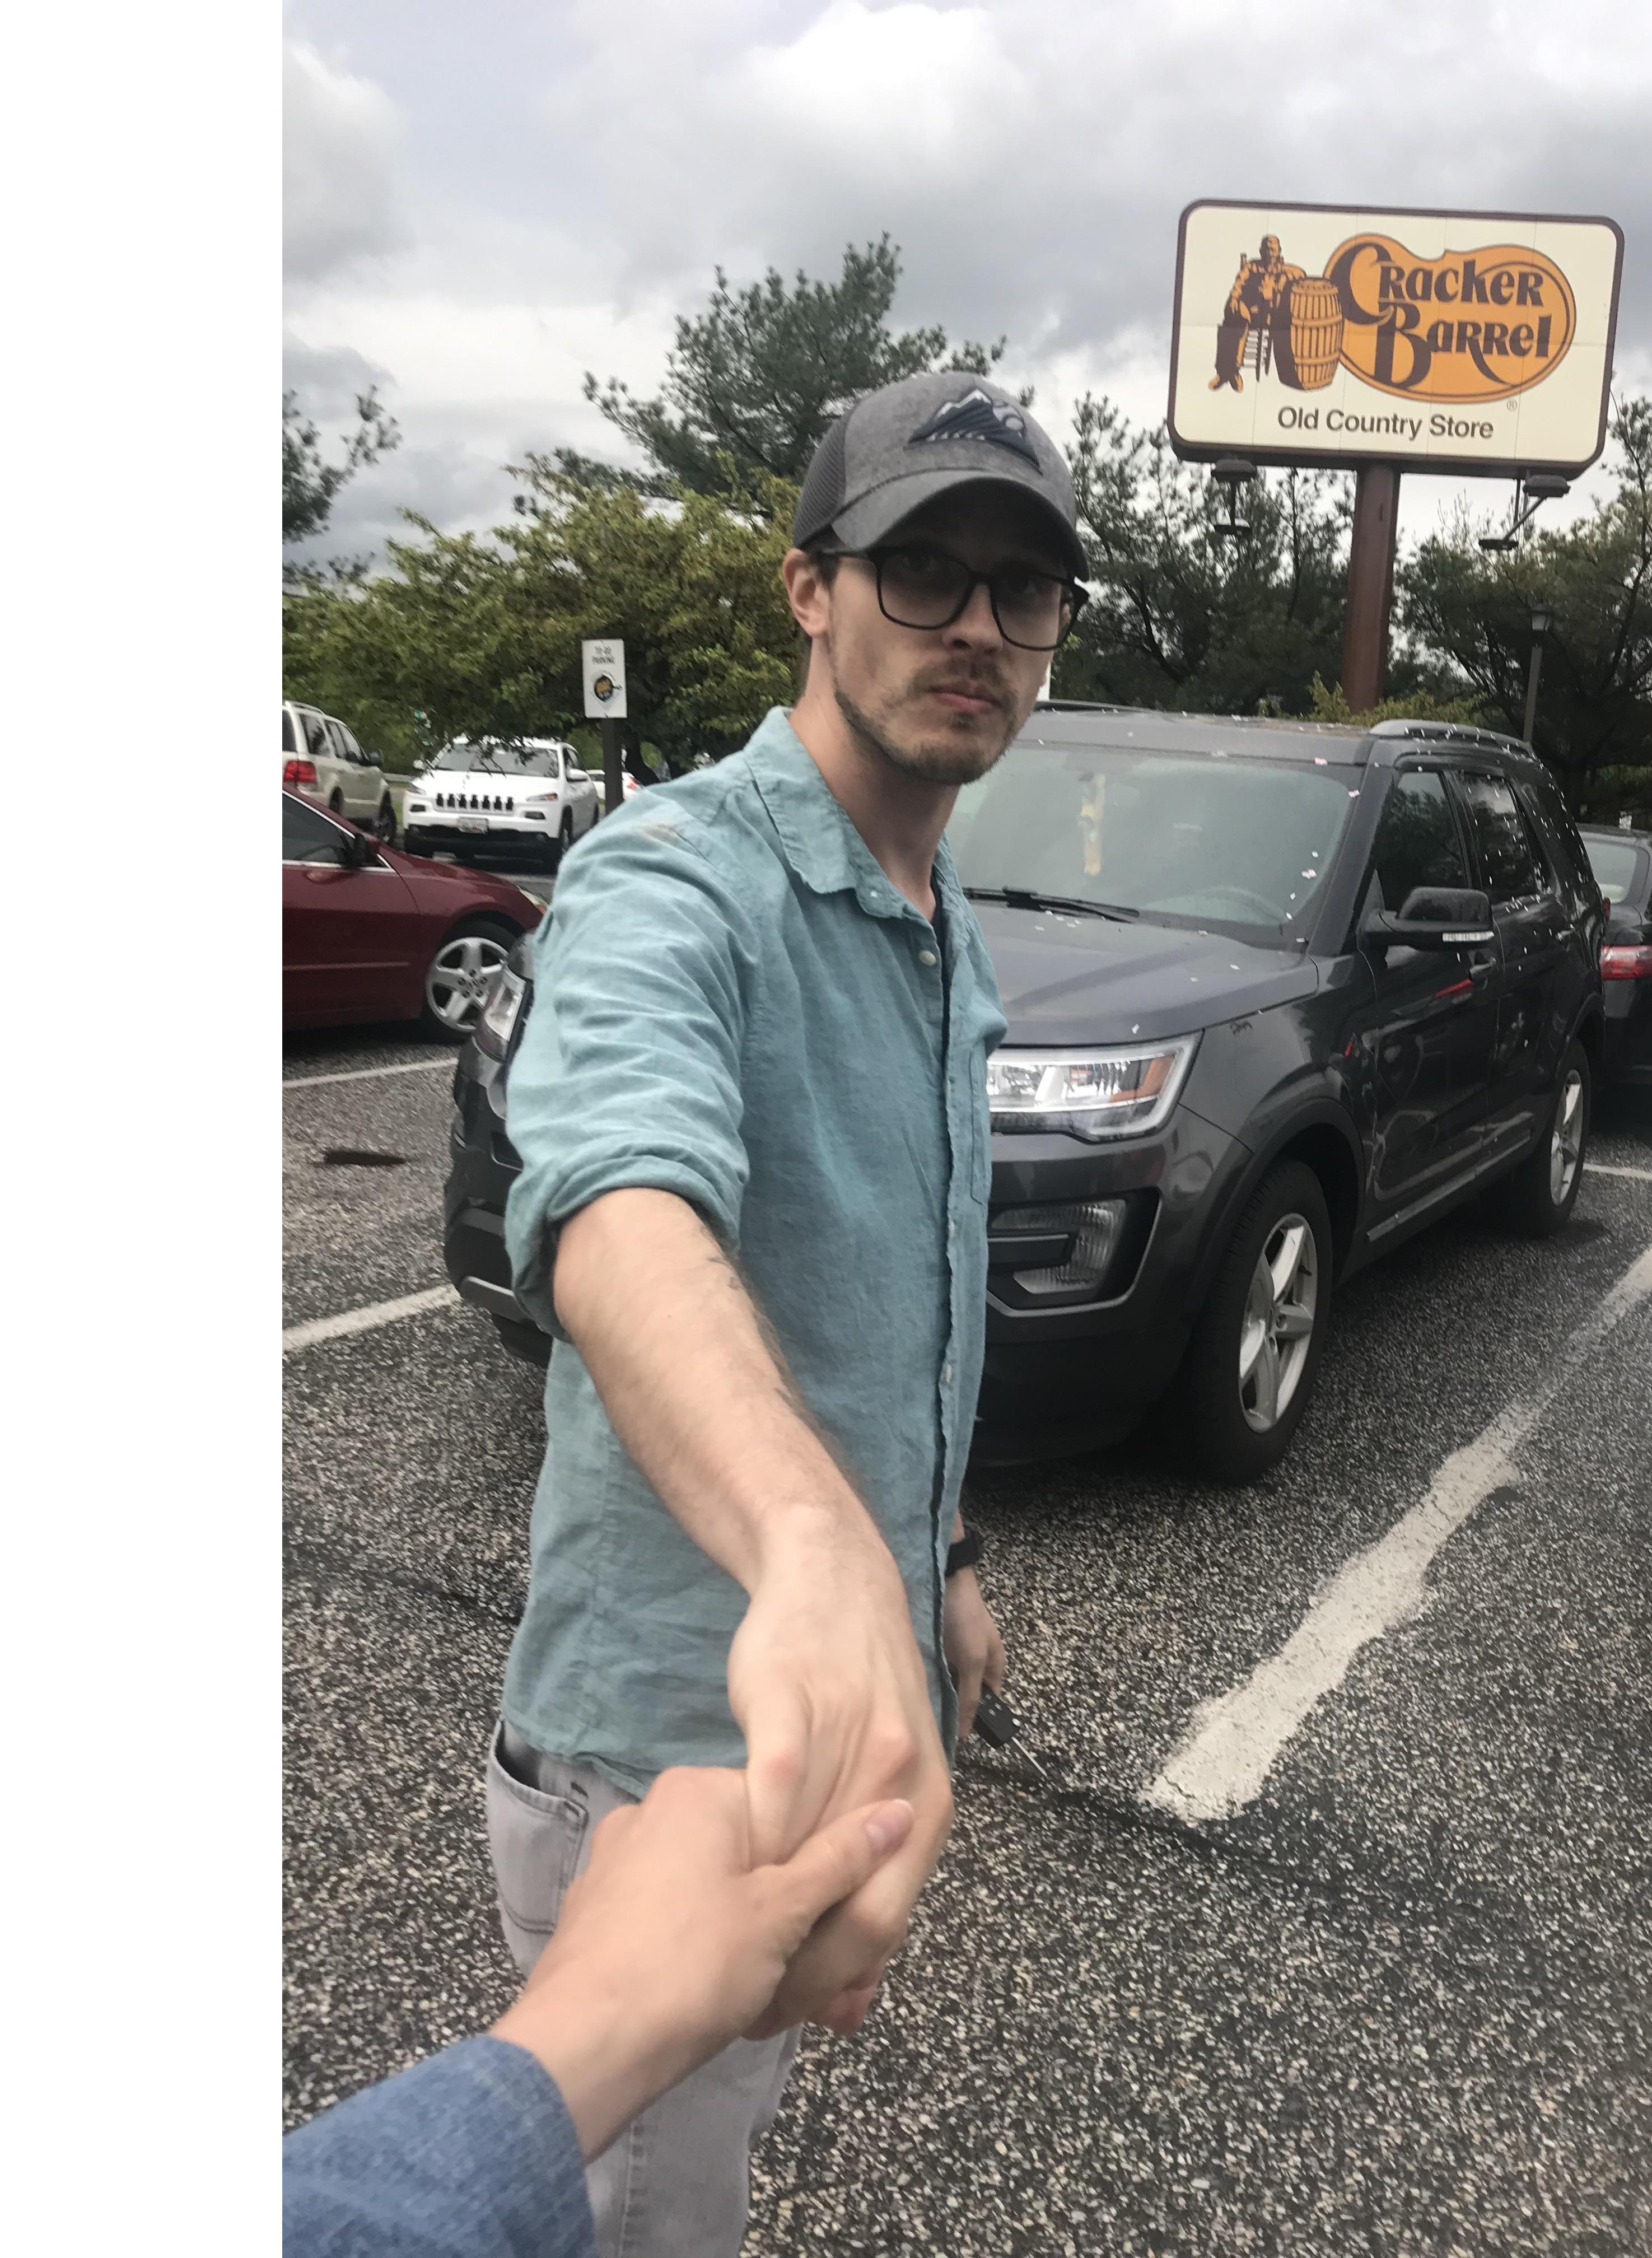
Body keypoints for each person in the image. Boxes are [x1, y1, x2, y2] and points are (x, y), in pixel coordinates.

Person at [485, 369, 1087, 2256]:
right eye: (923, 569)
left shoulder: (936, 910)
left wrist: (943, 1554)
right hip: (659, 1778)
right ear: (808, 589)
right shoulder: (673, 878)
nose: (977, 627)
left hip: (819, 1739)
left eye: (1022, 586)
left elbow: (892, 1302)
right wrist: (819, 1547)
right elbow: (617, 1208)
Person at [285, 1772, 915, 2258]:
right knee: (656, 2215)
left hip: (724, 1837)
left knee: (721, 2135)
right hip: (644, 1797)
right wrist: (609, 2015)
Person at [1210, 234, 1306, 389]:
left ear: (1279, 251)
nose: (1270, 253)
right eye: (1267, 249)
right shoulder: (1252, 267)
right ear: (1261, 251)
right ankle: (1228, 372)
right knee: (1232, 323)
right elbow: (1239, 284)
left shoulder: (1284, 269)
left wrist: (1285, 279)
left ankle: (1231, 372)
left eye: (1273, 250)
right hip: (1250, 312)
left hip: (1272, 316)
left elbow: (1301, 274)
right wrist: (1234, 298)